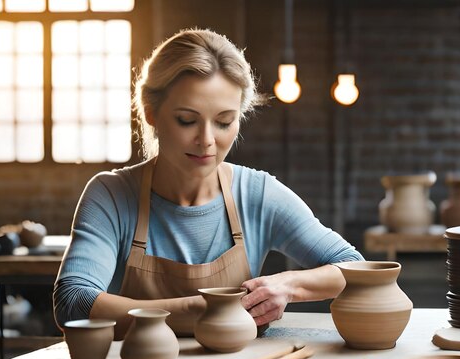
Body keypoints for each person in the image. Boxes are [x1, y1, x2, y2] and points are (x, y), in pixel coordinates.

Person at [53, 28, 363, 339]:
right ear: (151, 114)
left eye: (224, 121)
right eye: (187, 120)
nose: (206, 140)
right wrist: (205, 310)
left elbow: (354, 268)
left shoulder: (257, 194)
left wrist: (288, 285)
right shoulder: (111, 195)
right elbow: (74, 302)